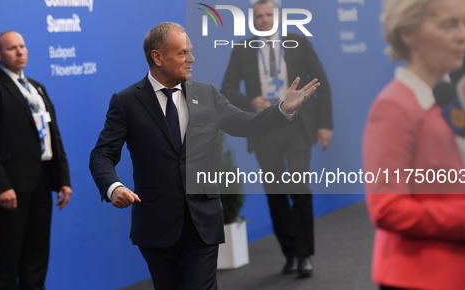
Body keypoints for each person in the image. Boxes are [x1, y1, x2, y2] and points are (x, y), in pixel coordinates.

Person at [89, 22, 320, 290]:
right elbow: (102, 154)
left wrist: (281, 110)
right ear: (157, 57)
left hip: (203, 221)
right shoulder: (127, 101)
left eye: (190, 51)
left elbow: (246, 123)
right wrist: (113, 187)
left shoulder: (206, 93)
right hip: (156, 223)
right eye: (183, 53)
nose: (192, 59)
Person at [363, 0, 465, 290]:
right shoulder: (393, 107)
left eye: (464, 23)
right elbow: (387, 209)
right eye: (449, 25)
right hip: (422, 276)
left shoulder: (446, 95)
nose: (464, 36)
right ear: (408, 33)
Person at [220, 0, 333, 276]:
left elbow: (322, 83)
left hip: (297, 128)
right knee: (275, 193)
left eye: (268, 15)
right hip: (264, 128)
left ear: (278, 17)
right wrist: (250, 101)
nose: (264, 21)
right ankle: (291, 253)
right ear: (253, 21)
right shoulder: (243, 49)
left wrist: (325, 125)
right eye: (258, 17)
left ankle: (305, 255)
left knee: (300, 188)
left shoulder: (299, 42)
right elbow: (227, 89)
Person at [0, 31, 72, 290]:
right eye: (12, 48)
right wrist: (1, 186)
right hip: (11, 187)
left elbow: (53, 136)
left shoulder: (37, 88)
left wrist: (63, 179)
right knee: (8, 256)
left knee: (37, 253)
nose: (20, 51)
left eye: (22, 46)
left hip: (42, 182)